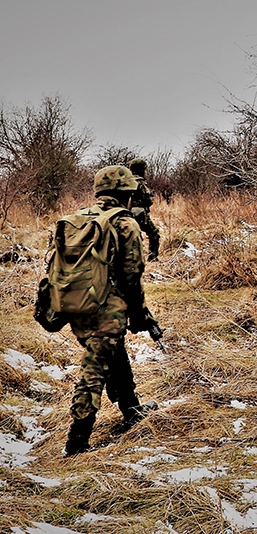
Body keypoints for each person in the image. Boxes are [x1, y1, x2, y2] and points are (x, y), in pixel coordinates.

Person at [62, 165, 158, 457]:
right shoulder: (125, 224)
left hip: (75, 305)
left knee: (114, 351)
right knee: (95, 369)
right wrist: (142, 316)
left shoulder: (79, 218)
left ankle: (130, 409)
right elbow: (132, 277)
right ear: (127, 194)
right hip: (105, 307)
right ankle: (76, 441)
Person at [126, 157, 161, 261]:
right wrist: (151, 197)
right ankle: (153, 257)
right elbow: (147, 201)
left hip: (126, 213)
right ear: (142, 169)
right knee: (154, 233)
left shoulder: (126, 181)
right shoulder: (141, 183)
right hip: (139, 212)